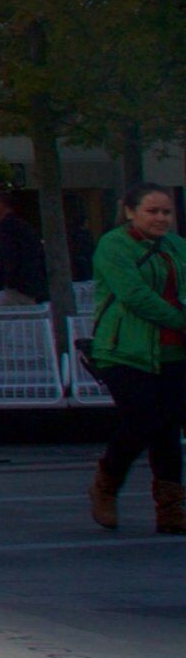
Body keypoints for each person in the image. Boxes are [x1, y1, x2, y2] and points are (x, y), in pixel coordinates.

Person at [84, 183, 186, 535]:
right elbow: (134, 295)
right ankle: (106, 483)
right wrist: (181, 319)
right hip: (125, 350)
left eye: (167, 212)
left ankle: (171, 507)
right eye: (152, 211)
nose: (161, 218)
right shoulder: (114, 245)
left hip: (173, 351)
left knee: (169, 428)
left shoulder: (175, 246)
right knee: (142, 419)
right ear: (130, 211)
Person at [0, 188, 52, 309]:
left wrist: (8, 280)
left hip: (19, 287)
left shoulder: (8, 227)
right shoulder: (19, 225)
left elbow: (9, 256)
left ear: (1, 204)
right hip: (26, 284)